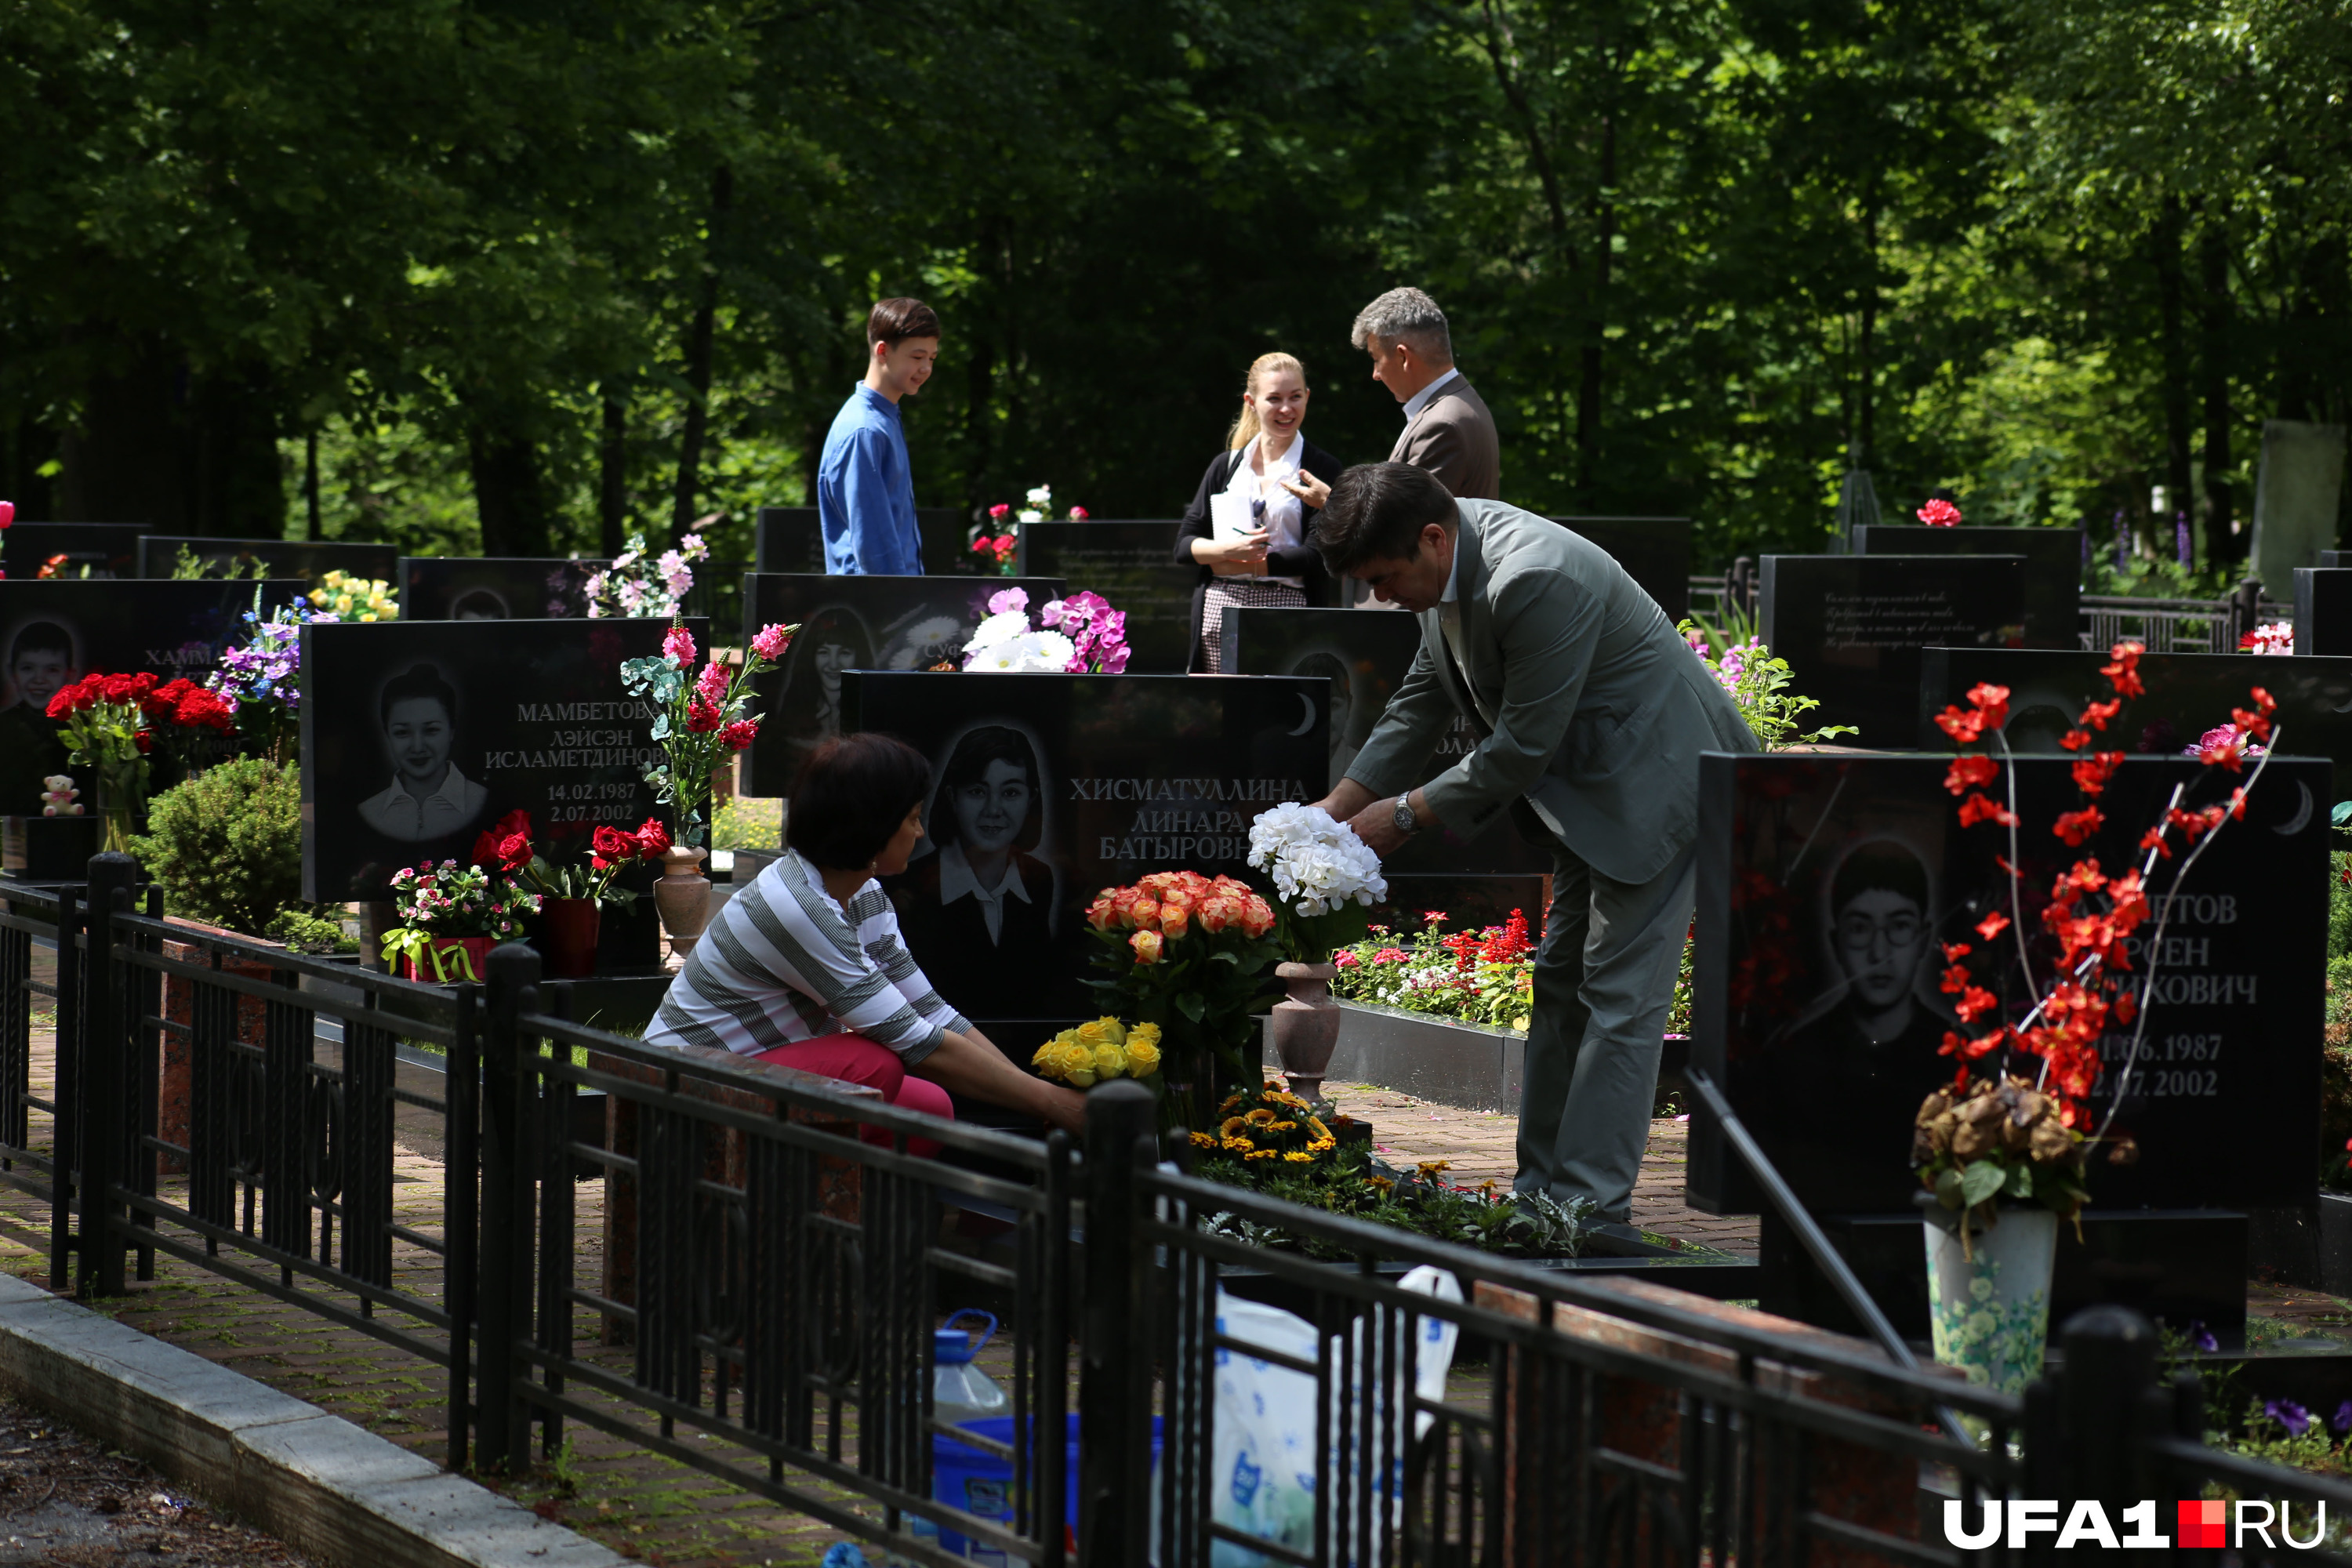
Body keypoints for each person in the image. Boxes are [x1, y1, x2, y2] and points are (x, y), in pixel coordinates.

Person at [1304, 463, 1758, 1236]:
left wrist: (1402, 816)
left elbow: (1521, 748)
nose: (1382, 595)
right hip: (1590, 792)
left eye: (1384, 577)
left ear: (1432, 538)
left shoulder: (1531, 577)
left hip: (1659, 783)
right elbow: (1421, 696)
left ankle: (1587, 1211)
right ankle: (1538, 1194)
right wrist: (1334, 809)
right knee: (1561, 981)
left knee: (1618, 997)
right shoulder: (1444, 553)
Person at [647, 731, 1086, 1142]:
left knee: (928, 1108)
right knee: (870, 1065)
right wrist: (1054, 1103)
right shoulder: (795, 906)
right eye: (912, 818)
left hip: (751, 1075)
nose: (920, 832)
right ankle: (795, 1209)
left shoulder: (863, 894)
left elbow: (931, 1012)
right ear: (873, 826)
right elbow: (911, 1038)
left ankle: (862, 1214)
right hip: (685, 1090)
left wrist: (1036, 1095)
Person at [1173, 353, 1342, 671]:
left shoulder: (1322, 468)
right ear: (1251, 401)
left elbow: (1318, 555)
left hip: (1289, 609)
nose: (1286, 409)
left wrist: (1242, 564)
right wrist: (1226, 551)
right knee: (1221, 712)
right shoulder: (1226, 466)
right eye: (1274, 398)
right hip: (1220, 607)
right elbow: (1183, 546)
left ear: (1307, 397)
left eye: (1295, 397)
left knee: (1280, 715)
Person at [889, 725, 1058, 1021]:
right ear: (953, 797)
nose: (994, 809)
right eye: (978, 791)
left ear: (1031, 799)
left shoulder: (1040, 880)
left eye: (1011, 792)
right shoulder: (906, 884)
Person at [818, 298, 939, 576]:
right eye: (917, 357)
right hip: (877, 607)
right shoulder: (865, 429)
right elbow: (874, 546)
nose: (926, 369)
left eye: (932, 358)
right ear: (883, 351)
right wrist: (901, 605)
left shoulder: (884, 419)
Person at [355, 663, 491, 842]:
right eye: (402, 732)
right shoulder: (369, 811)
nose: (417, 747)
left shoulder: (484, 802)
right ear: (387, 734)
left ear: (452, 730)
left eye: (431, 730)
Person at [0, 621, 75, 815]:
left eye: (52, 670)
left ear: (69, 675)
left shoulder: (82, 730)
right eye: (27, 668)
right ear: (12, 673)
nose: (39, 679)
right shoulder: (3, 726)